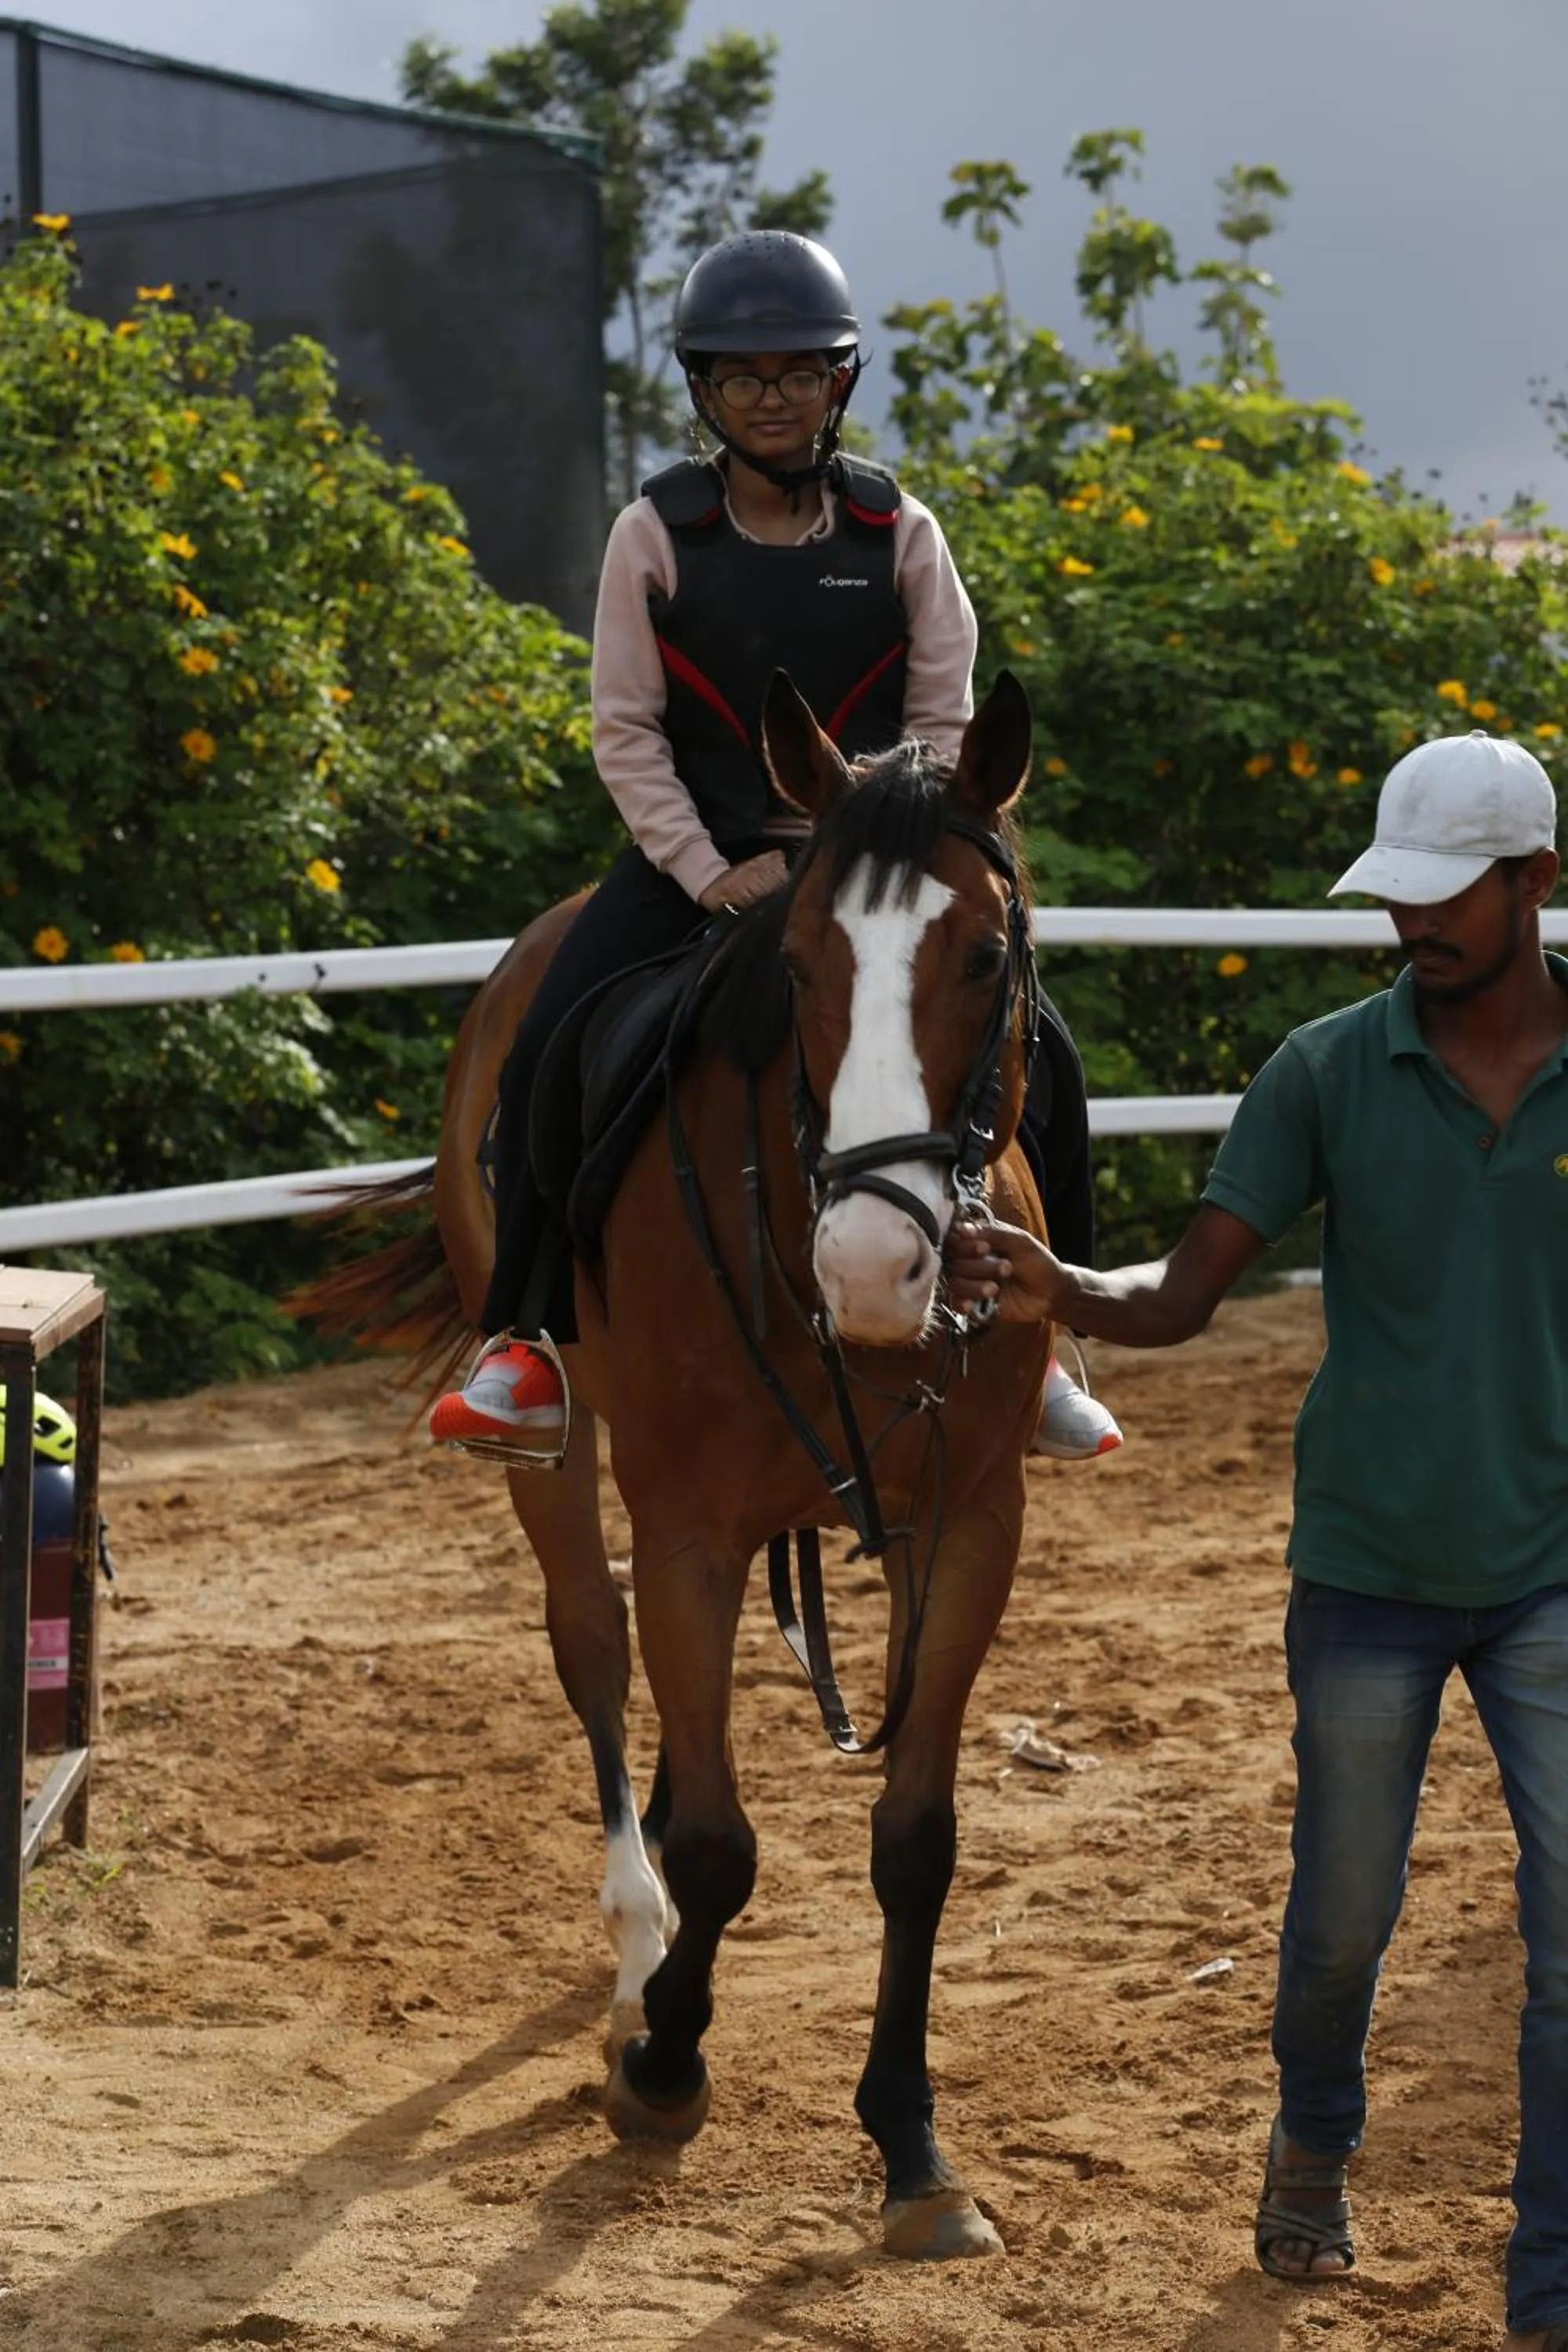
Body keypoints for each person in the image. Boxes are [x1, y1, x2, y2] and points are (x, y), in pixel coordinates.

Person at [946, 728, 1568, 2352]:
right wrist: (1064, 1290)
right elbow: (1185, 1290)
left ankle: (1552, 2275)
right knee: (1342, 1920)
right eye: (1397, 895)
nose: (1412, 923)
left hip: (1557, 1569)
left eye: (1447, 895)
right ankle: (1315, 2137)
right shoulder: (1325, 1070)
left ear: (1536, 882)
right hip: (1365, 1565)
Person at [430, 230, 1121, 1465]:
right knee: (548, 1047)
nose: (771, 398)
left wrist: (876, 852)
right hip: (697, 860)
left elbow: (944, 718)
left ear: (837, 381)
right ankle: (523, 1343)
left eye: (799, 373)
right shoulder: (653, 533)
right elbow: (626, 729)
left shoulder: (900, 528)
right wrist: (709, 871)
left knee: (1048, 1060)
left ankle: (1048, 1333)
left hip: (885, 867)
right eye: (742, 377)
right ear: (704, 388)